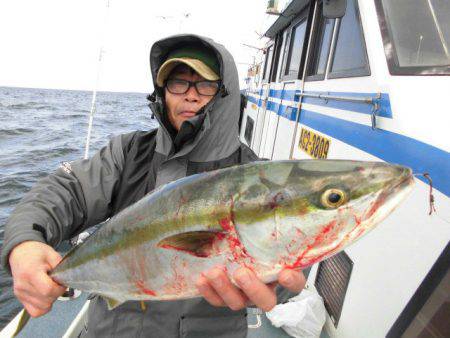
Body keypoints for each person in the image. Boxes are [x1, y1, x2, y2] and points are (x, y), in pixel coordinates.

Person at [1, 34, 305, 337]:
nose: (190, 95)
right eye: (178, 83)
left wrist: (278, 284)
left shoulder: (257, 176)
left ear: (225, 94)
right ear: (162, 93)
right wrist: (25, 242)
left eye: (206, 84)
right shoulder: (129, 153)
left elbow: (290, 253)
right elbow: (66, 191)